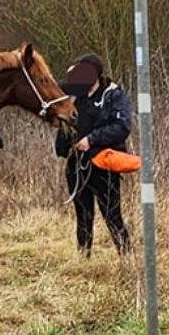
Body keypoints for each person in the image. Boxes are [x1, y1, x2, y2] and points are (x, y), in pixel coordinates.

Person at [55, 54, 132, 258]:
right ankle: (84, 259)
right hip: (76, 166)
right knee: (83, 216)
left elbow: (122, 126)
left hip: (103, 164)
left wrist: (92, 139)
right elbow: (60, 123)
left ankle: (128, 259)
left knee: (112, 216)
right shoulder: (73, 97)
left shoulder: (112, 95)